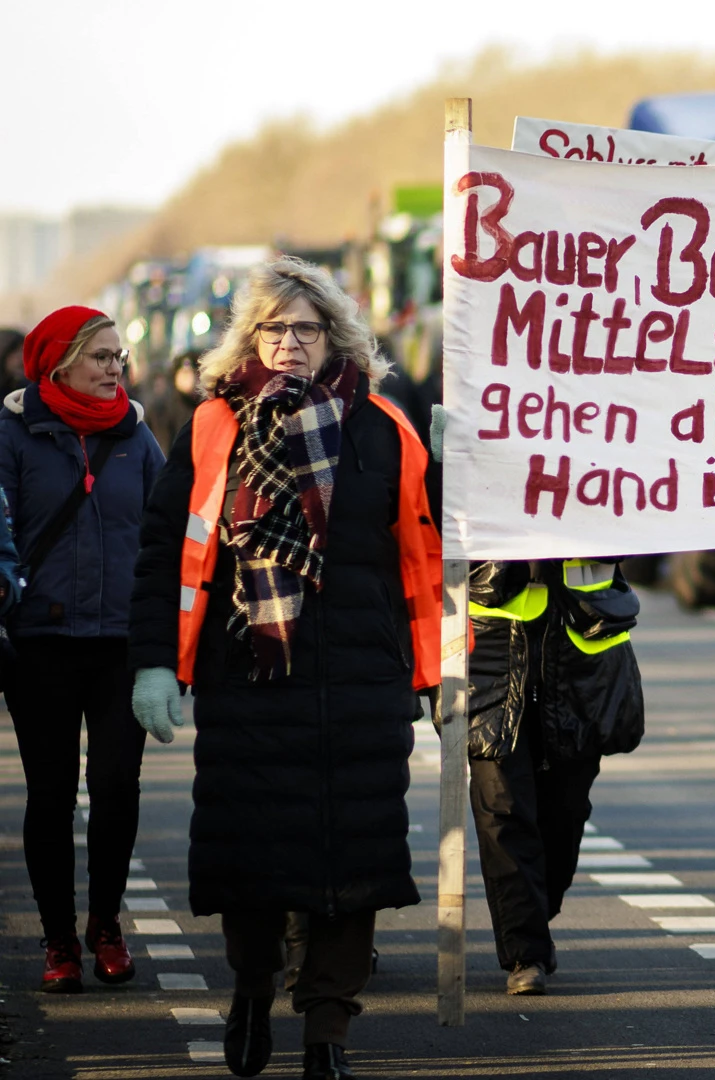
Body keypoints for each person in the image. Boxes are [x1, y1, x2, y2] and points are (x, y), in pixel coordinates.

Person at [127, 257, 440, 1080]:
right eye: (277, 329)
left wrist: (438, 668)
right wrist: (156, 664)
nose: (293, 344)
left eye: (308, 329)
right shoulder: (212, 428)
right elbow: (166, 553)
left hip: (363, 683)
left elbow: (425, 552)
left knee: (356, 864)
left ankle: (327, 1031)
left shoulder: (384, 425)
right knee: (252, 862)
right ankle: (253, 986)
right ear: (251, 338)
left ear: (335, 335)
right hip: (250, 679)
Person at [0, 306, 162, 993]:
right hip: (39, 643)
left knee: (117, 788)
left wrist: (166, 637)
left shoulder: (137, 436)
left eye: (119, 357)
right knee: (51, 795)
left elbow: (164, 535)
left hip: (120, 643)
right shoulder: (12, 433)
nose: (115, 369)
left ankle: (105, 925)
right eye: (100, 357)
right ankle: (59, 938)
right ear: (58, 362)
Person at [464, 557, 646, 994]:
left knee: (564, 812)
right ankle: (526, 953)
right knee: (502, 806)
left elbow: (636, 518)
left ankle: (532, 915)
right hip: (491, 649)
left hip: (581, 651)